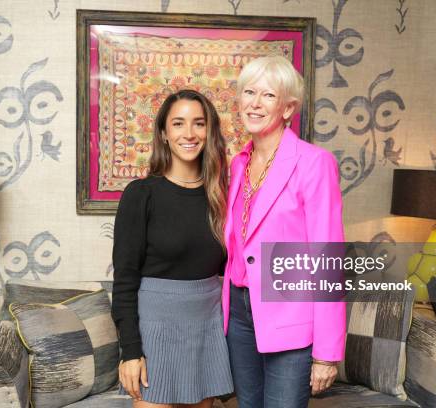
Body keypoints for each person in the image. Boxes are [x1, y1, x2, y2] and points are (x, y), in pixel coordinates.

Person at [222, 56, 346, 408]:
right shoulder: (238, 164)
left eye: (268, 95)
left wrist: (326, 353)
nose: (255, 103)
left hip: (291, 315)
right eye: (248, 92)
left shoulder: (314, 163)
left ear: (288, 107)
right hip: (240, 315)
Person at [112, 89, 233, 408]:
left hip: (206, 327)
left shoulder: (222, 196)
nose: (189, 133)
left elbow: (233, 269)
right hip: (155, 331)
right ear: (164, 134)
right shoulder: (141, 195)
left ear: (210, 132)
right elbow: (124, 281)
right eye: (178, 124)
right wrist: (131, 351)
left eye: (199, 123)